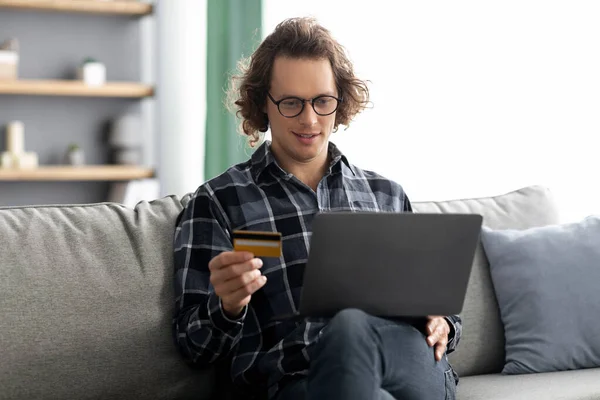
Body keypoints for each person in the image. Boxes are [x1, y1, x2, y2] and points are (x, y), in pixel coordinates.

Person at [173, 17, 460, 400]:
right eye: (291, 102)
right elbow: (194, 348)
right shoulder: (218, 202)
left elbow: (437, 308)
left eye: (322, 101)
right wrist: (227, 306)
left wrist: (443, 323)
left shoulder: (387, 194)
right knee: (349, 341)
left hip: (409, 365)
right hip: (298, 383)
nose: (309, 119)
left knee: (353, 328)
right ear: (263, 103)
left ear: (339, 102)